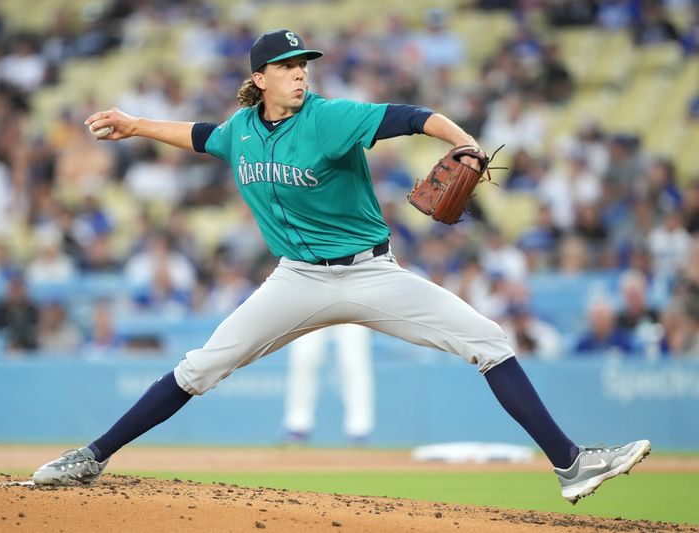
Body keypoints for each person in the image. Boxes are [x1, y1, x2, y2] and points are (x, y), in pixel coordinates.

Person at [32, 29, 649, 504]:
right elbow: (201, 135)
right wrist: (136, 124)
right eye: (288, 68)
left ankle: (572, 465)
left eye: (304, 67)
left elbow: (411, 116)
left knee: (489, 341)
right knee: (201, 367)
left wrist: (462, 142)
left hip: (372, 274)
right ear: (260, 78)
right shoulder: (242, 131)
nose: (300, 76)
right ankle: (91, 455)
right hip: (295, 279)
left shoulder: (330, 117)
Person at [283, 324, 374, 445]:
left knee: (354, 364)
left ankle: (360, 430)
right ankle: (297, 426)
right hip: (310, 306)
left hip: (351, 308)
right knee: (304, 359)